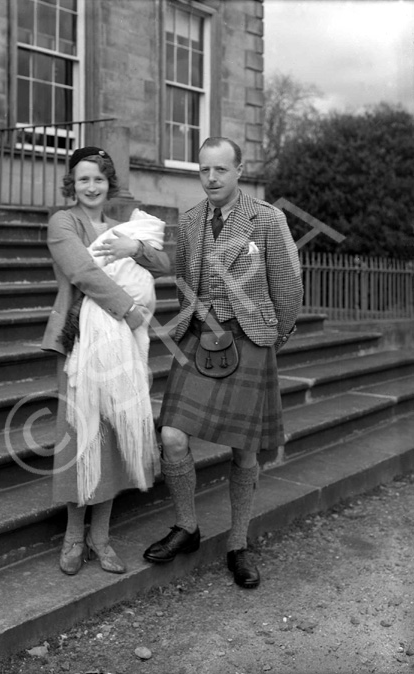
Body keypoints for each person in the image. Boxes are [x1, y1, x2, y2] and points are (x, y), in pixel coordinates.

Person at [143, 137, 303, 588]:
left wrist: (271, 339)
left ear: (238, 171)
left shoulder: (267, 219)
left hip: (249, 339)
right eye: (204, 170)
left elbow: (288, 288)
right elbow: (184, 281)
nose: (211, 178)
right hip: (199, 338)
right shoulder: (191, 219)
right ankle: (188, 526)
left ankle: (238, 543)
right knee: (172, 434)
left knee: (245, 449)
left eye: (220, 170)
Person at [42, 146, 171, 576]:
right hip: (80, 338)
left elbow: (162, 262)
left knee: (114, 435)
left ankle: (101, 537)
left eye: (98, 178)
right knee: (80, 435)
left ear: (108, 183)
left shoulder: (122, 229)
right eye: (83, 179)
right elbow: (83, 272)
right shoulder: (64, 223)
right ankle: (74, 536)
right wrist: (128, 308)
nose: (91, 187)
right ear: (72, 184)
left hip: (122, 344)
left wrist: (136, 245)